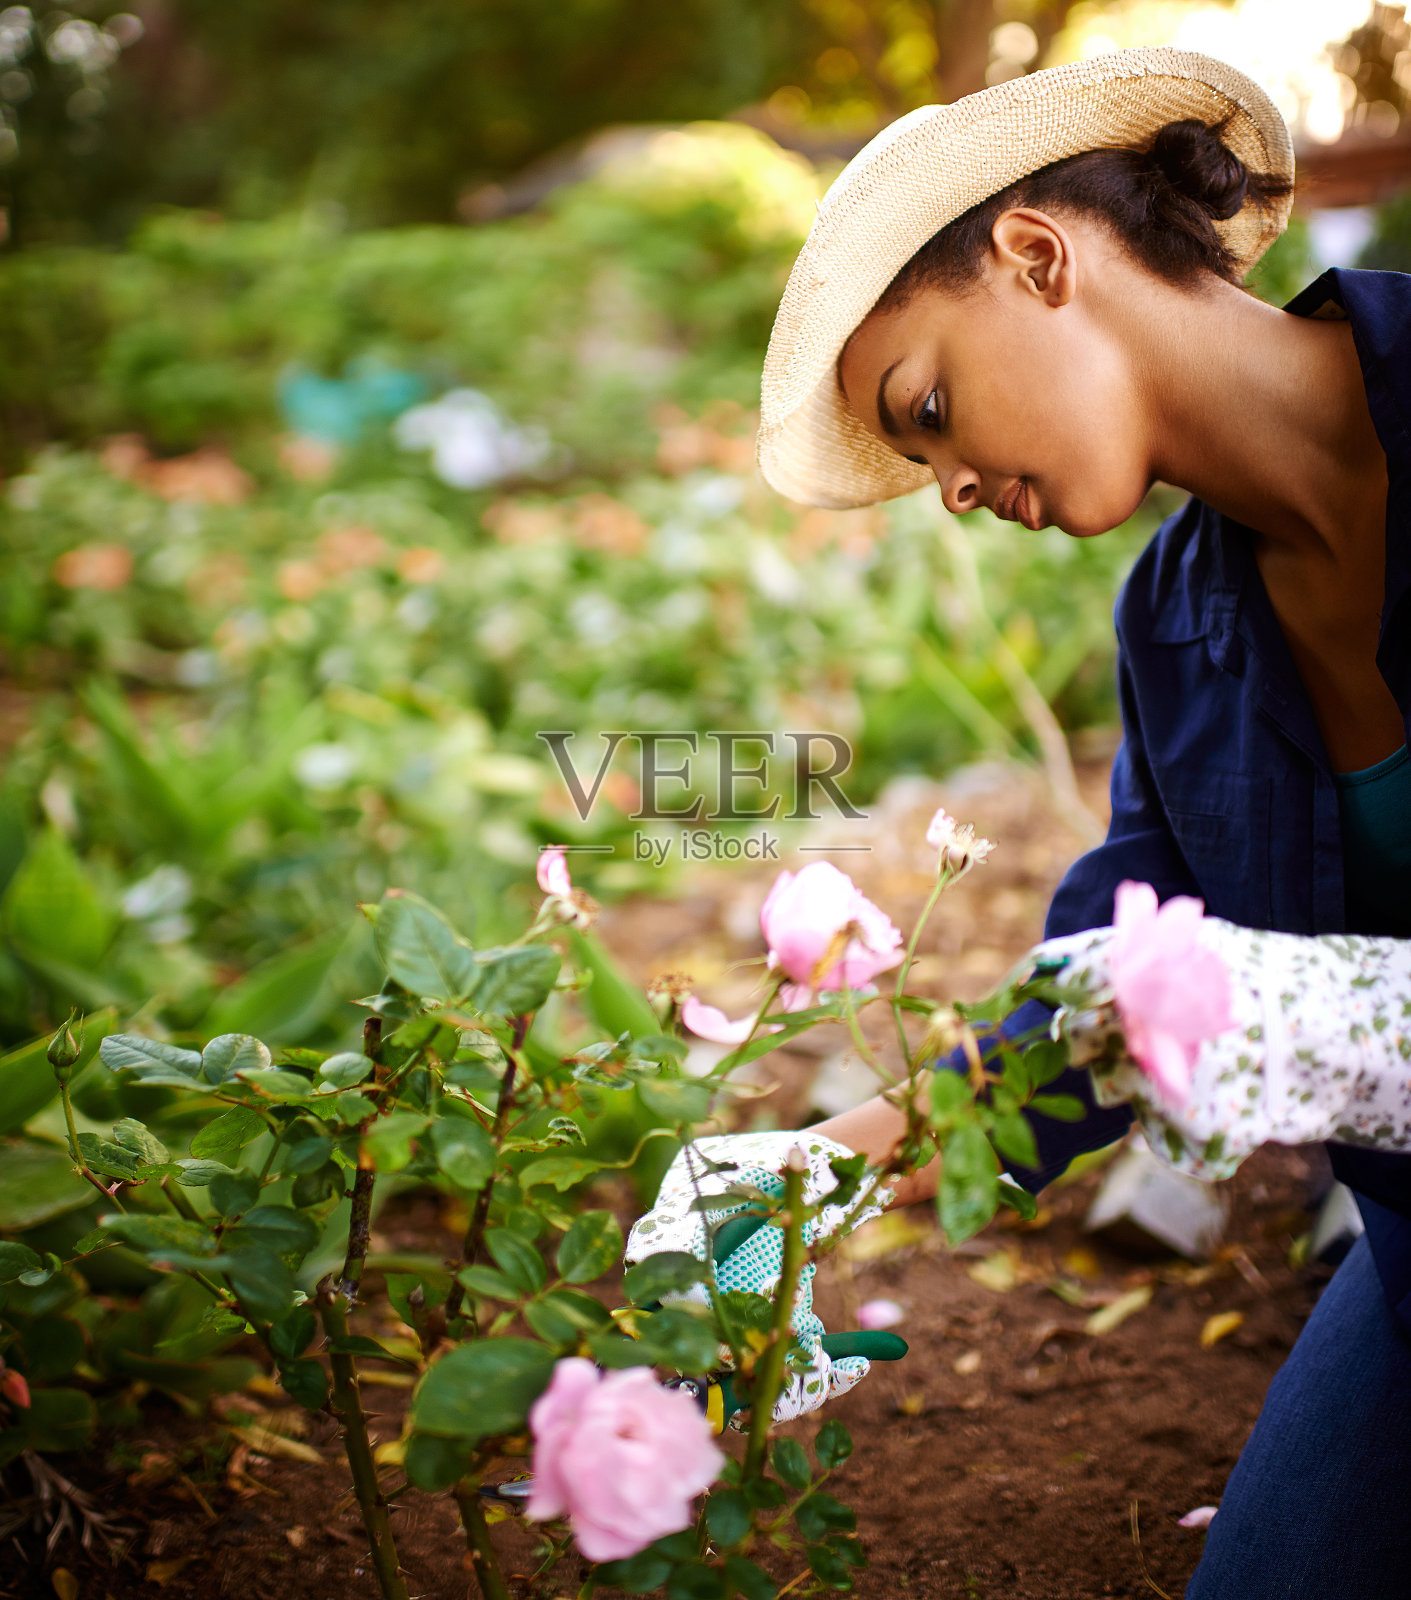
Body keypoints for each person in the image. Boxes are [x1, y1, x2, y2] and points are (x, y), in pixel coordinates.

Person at [627, 47, 1411, 1598]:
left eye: (926, 406)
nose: (953, 487)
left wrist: (1338, 1018)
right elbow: (1102, 1014)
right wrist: (803, 1174)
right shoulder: (1180, 632)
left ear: (1039, 255)